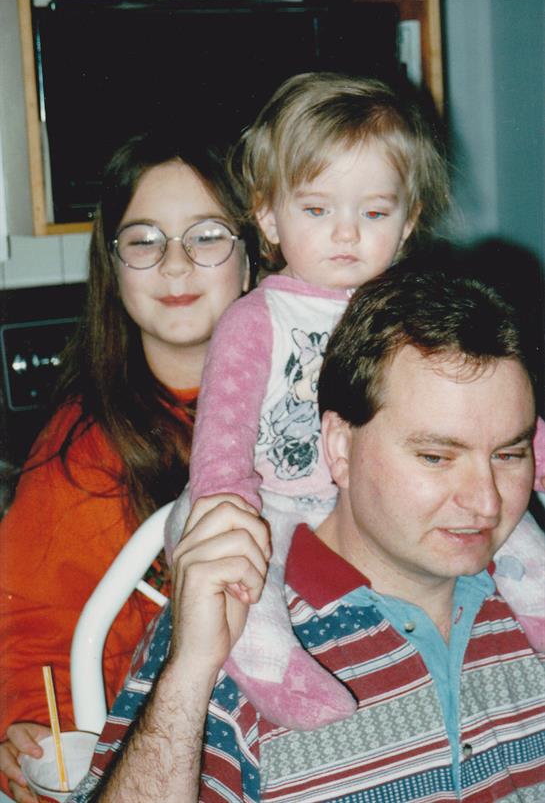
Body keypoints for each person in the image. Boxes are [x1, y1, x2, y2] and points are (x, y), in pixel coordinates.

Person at [69, 268, 545, 802]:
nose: (486, 502)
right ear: (339, 447)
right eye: (436, 457)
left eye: (509, 454)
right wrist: (189, 675)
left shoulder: (529, 601)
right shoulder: (239, 632)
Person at [183, 71, 545, 731]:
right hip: (278, 495)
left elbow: (488, 410)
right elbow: (222, 430)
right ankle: (267, 664)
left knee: (515, 524)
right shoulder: (255, 319)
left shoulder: (414, 312)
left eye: (373, 214)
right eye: (317, 211)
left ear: (407, 222)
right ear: (268, 214)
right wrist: (226, 497)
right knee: (239, 566)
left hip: (384, 502)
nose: (345, 236)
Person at [0, 126, 253, 802]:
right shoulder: (83, 451)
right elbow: (32, 630)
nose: (174, 265)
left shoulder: (319, 407)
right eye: (144, 240)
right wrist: (26, 725)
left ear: (251, 255)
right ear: (113, 268)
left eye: (205, 235)